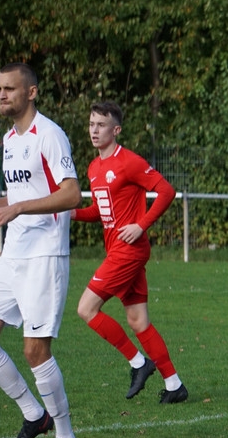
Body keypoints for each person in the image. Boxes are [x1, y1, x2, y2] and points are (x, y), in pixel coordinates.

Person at [0, 62, 82, 438]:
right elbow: (19, 198)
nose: (2, 94)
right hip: (13, 254)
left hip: (44, 255)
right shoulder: (9, 140)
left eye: (10, 88)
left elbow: (71, 194)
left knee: (35, 350)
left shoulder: (49, 135)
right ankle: (35, 415)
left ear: (31, 92)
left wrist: (16, 210)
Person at [71, 100, 189, 404]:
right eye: (91, 124)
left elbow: (167, 191)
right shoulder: (94, 168)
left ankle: (139, 363)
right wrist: (71, 214)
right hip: (118, 250)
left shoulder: (129, 161)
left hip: (128, 251)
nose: (94, 130)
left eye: (101, 125)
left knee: (86, 309)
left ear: (116, 130)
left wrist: (141, 225)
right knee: (138, 321)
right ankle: (174, 385)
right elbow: (100, 211)